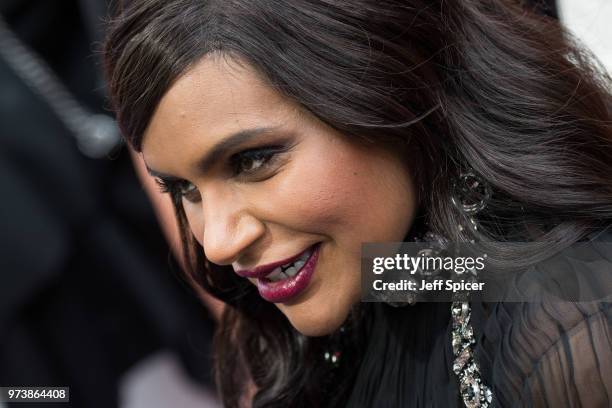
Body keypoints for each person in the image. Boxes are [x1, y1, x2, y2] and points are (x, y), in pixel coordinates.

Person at [102, 0, 612, 407]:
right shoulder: (401, 269)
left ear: (389, 91)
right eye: (183, 189)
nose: (216, 243)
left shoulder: (568, 337)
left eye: (252, 161)